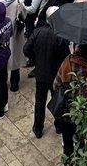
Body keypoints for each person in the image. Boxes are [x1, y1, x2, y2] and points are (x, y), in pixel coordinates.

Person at [24, 11, 68, 139]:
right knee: (57, 100)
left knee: (40, 101)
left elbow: (26, 49)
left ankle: (38, 128)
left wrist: (36, 58)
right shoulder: (60, 36)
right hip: (55, 75)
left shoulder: (38, 32)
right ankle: (59, 125)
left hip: (41, 73)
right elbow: (65, 57)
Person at [55, 42, 87, 161]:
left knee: (67, 142)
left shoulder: (68, 62)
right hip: (84, 114)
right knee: (81, 142)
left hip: (67, 112)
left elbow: (56, 84)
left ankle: (67, 165)